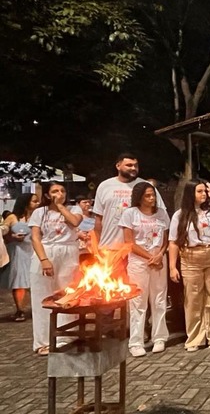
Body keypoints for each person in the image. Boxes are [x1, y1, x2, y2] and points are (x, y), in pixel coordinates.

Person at [168, 179, 210, 352]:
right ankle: (195, 338)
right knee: (193, 298)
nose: (203, 194)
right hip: (191, 256)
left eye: (205, 191)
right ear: (191, 193)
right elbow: (173, 242)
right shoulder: (180, 215)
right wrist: (172, 267)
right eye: (200, 191)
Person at [28, 182, 83, 355]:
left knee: (67, 294)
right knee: (42, 296)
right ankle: (43, 341)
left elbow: (74, 222)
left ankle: (66, 337)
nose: (60, 193)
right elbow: (35, 237)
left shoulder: (74, 209)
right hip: (47, 250)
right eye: (55, 191)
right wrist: (44, 260)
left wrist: (60, 206)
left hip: (68, 251)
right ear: (47, 195)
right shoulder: (39, 212)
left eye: (62, 190)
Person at [120, 182, 171, 357]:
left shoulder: (161, 213)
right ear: (139, 197)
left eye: (153, 195)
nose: (151, 199)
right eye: (147, 196)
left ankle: (159, 337)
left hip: (159, 261)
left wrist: (160, 255)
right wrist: (149, 257)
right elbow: (129, 242)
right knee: (138, 301)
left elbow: (166, 239)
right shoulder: (130, 214)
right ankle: (136, 341)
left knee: (159, 299)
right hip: (139, 262)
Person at [93, 152, 165, 248]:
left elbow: (161, 216)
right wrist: (97, 245)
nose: (133, 168)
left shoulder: (146, 186)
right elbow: (98, 219)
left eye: (136, 165)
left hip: (138, 250)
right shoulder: (104, 186)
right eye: (129, 165)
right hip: (109, 247)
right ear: (118, 166)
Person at [1, 193, 40, 321]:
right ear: (26, 203)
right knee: (19, 281)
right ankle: (20, 309)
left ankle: (37, 308)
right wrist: (12, 236)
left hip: (34, 250)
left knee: (36, 280)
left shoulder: (38, 216)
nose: (37, 204)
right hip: (18, 251)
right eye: (34, 201)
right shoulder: (13, 217)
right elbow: (3, 232)